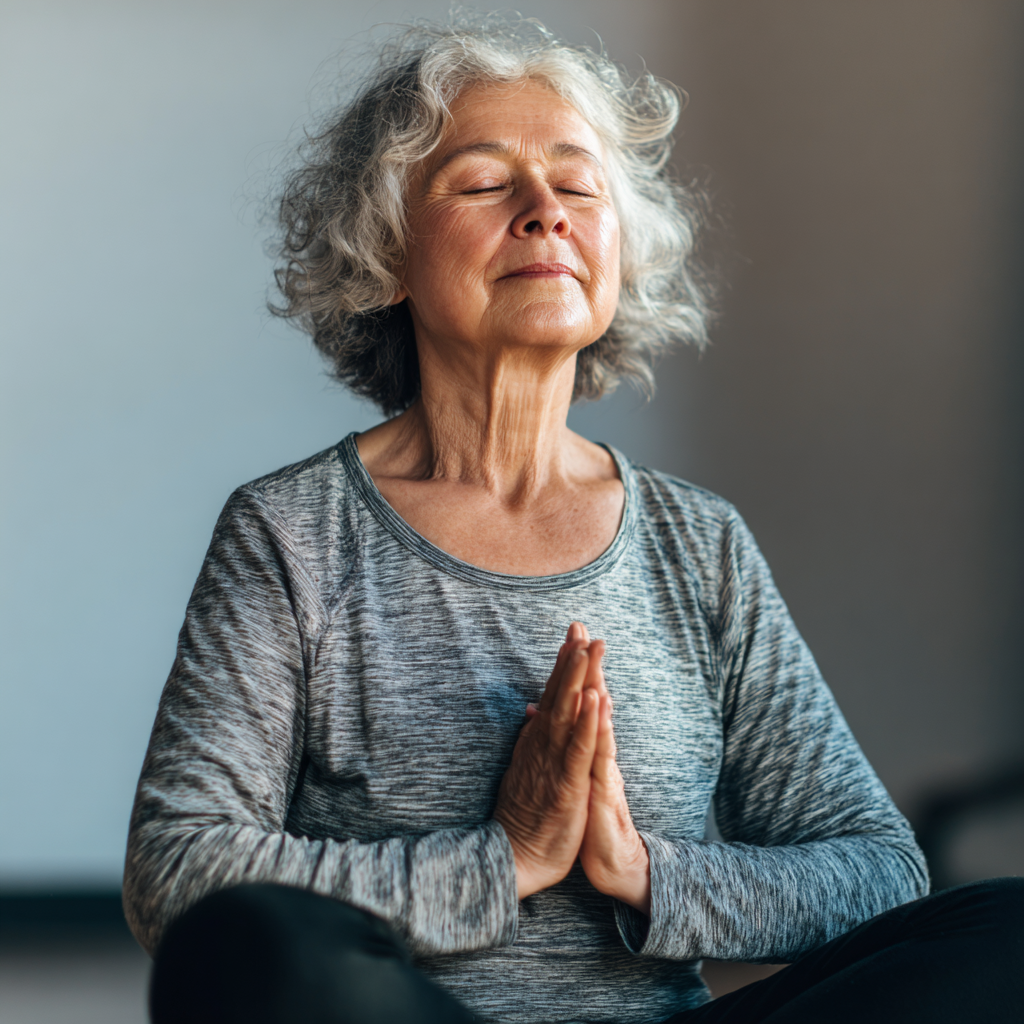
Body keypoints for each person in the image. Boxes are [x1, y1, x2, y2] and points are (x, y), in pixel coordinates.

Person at [124, 15, 1024, 1024]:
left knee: (1008, 928)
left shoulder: (697, 542)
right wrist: (504, 859)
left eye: (579, 186)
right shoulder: (291, 531)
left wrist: (644, 871)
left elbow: (878, 868)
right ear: (386, 253)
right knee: (252, 945)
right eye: (482, 183)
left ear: (616, 254)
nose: (545, 211)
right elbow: (178, 869)